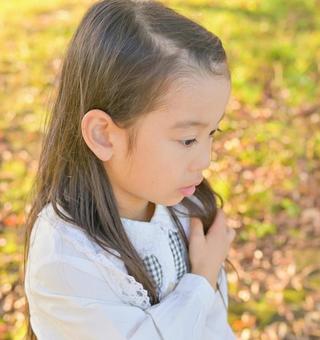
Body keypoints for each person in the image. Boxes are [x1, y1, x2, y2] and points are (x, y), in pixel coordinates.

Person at [21, 0, 237, 339]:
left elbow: (214, 328)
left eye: (212, 133)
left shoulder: (183, 208)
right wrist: (201, 281)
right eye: (187, 139)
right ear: (103, 135)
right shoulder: (66, 256)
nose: (206, 160)